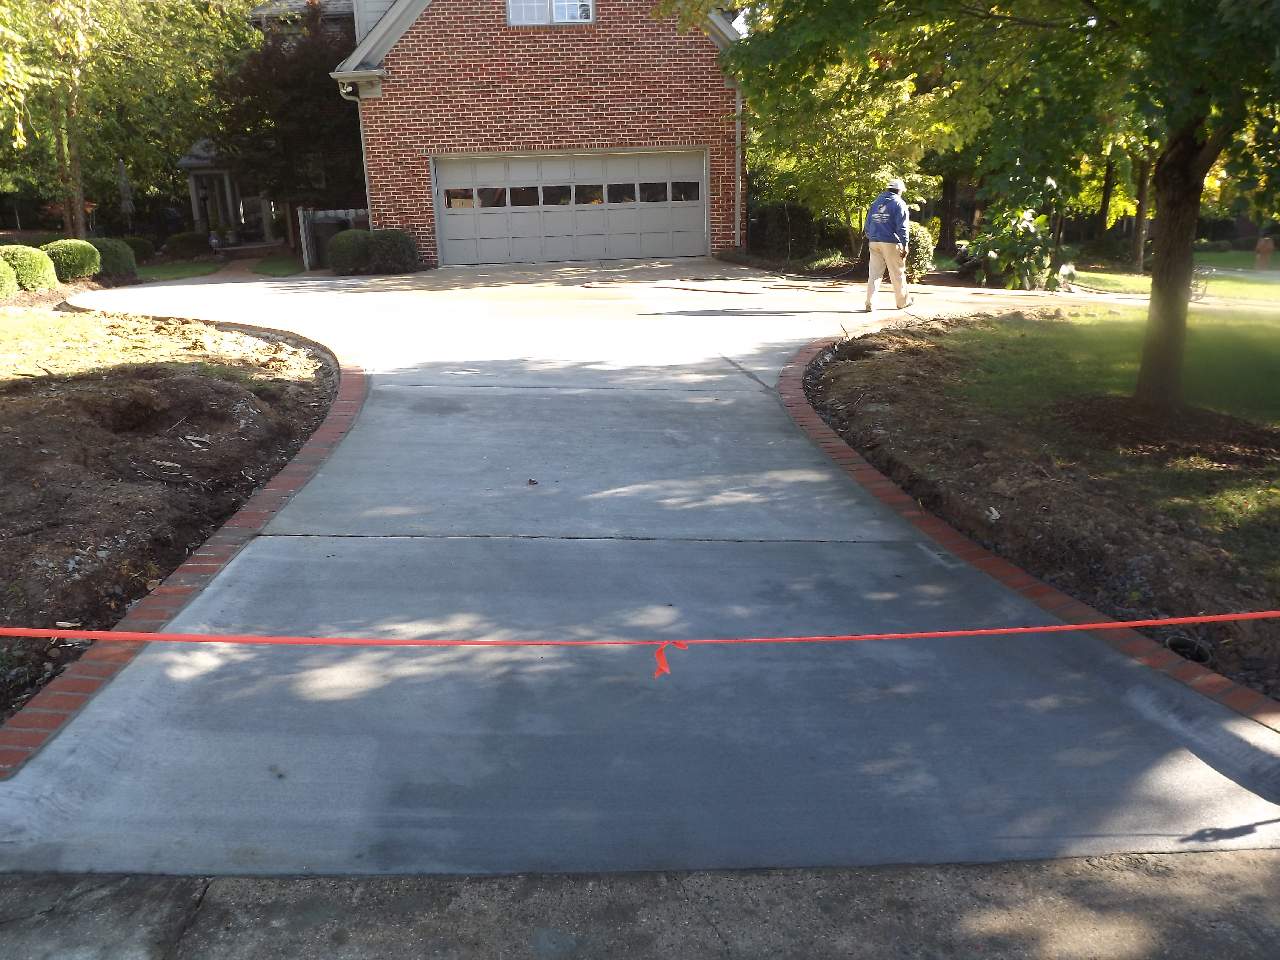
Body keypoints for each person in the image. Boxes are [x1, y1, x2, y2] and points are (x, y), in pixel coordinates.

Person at [863, 178, 913, 311]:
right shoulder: (899, 203)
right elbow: (902, 227)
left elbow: (867, 224)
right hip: (890, 242)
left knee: (874, 273)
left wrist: (872, 236)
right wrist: (905, 244)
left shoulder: (875, 202)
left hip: (874, 241)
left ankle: (870, 302)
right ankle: (902, 302)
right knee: (897, 273)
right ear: (899, 190)